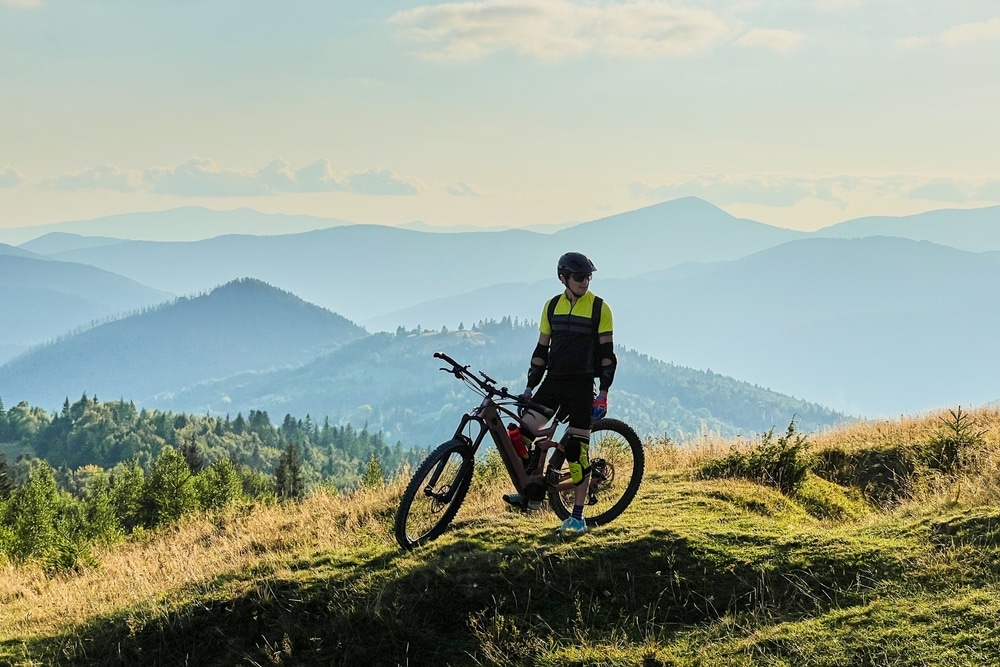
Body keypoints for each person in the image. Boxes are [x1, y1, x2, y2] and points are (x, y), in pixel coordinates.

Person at [502, 251, 617, 535]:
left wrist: (603, 393)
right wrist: (530, 386)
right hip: (552, 382)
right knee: (520, 434)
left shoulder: (600, 308)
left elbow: (607, 356)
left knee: (578, 452)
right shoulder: (551, 307)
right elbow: (542, 351)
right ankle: (531, 491)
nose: (585, 282)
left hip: (581, 386)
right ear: (563, 278)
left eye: (589, 276)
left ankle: (578, 518)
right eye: (579, 277)